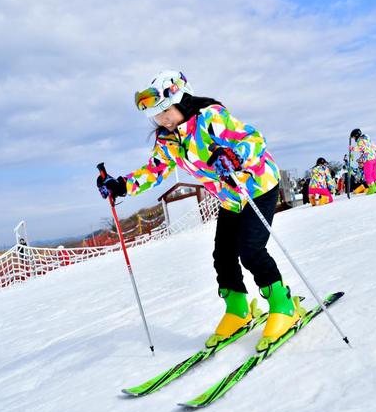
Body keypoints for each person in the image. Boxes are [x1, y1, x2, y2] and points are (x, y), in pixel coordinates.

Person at [95, 70, 304, 352]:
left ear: (182, 100)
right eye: (156, 115)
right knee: (223, 255)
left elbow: (254, 140)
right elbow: (155, 171)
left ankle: (282, 304)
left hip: (257, 186)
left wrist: (233, 155)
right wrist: (121, 185)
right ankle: (238, 310)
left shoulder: (211, 117)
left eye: (166, 111)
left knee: (251, 249)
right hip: (230, 197)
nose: (162, 119)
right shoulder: (168, 140)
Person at [350, 129, 376, 194]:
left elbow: (361, 148)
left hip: (368, 159)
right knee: (373, 173)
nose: (353, 139)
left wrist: (352, 148)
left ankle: (372, 188)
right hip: (374, 157)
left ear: (356, 136)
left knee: (367, 174)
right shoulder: (367, 138)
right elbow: (374, 146)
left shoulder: (360, 140)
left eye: (353, 137)